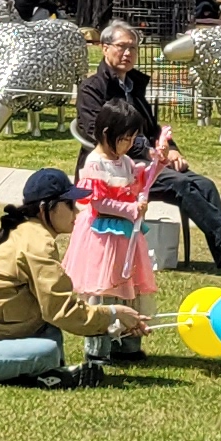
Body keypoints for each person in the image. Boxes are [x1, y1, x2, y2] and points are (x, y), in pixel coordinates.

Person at [0, 168, 133, 387]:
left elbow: (53, 310)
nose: (77, 210)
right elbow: (62, 310)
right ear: (46, 208)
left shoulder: (27, 231)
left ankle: (50, 375)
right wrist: (112, 315)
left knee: (47, 330)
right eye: (69, 204)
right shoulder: (38, 243)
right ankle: (50, 376)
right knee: (47, 351)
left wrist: (113, 317)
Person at [75, 21, 221, 273]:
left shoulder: (134, 86)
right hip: (112, 169)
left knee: (205, 184)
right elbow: (99, 132)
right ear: (104, 48)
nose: (128, 53)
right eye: (122, 47)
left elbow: (152, 128)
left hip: (146, 163)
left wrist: (172, 148)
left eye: (133, 48)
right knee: (180, 184)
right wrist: (145, 151)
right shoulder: (92, 88)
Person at [63, 105, 168, 354]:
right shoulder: (95, 164)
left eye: (133, 139)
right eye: (125, 139)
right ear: (107, 133)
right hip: (103, 237)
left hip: (125, 236)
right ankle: (98, 346)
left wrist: (159, 162)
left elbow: (142, 182)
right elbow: (98, 203)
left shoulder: (125, 161)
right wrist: (130, 209)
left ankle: (127, 343)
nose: (129, 144)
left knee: (128, 286)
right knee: (105, 288)